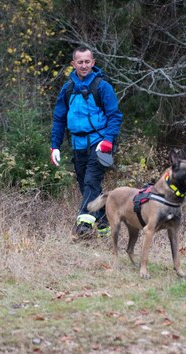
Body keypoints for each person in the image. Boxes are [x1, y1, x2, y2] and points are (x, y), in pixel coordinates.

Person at [50, 46, 122, 238]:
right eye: (80, 62)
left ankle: (83, 225)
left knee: (91, 181)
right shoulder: (68, 89)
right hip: (77, 144)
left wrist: (108, 140)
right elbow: (59, 119)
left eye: (87, 61)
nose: (84, 65)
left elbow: (115, 116)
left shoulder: (102, 87)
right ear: (73, 64)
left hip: (99, 143)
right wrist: (55, 146)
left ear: (93, 63)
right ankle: (105, 223)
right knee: (86, 186)